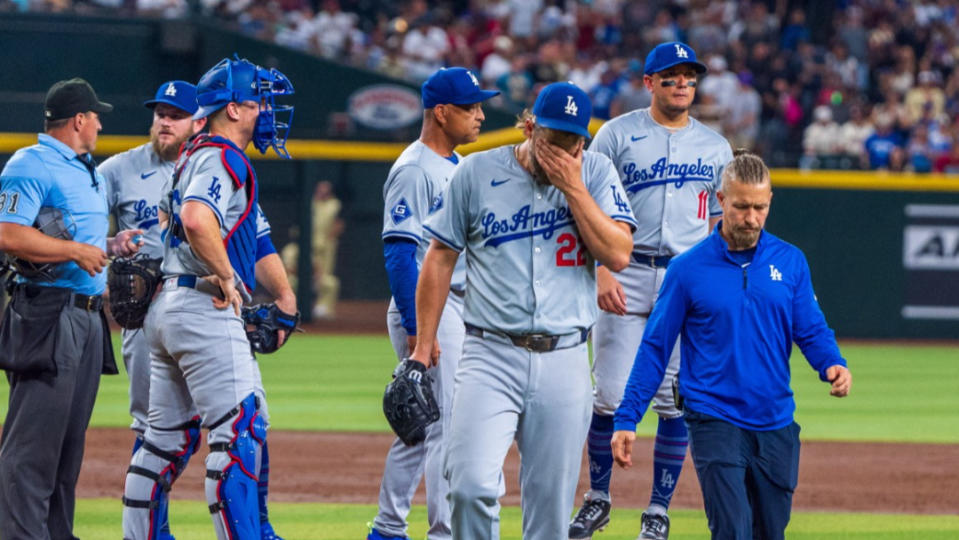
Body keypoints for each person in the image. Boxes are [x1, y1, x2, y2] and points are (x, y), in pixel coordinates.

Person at [410, 81, 636, 540]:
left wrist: (574, 189)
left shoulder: (594, 173)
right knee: (469, 485)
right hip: (489, 354)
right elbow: (439, 256)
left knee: (550, 511)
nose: (561, 150)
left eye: (571, 141)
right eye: (552, 139)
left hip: (566, 357)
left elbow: (618, 254)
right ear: (530, 127)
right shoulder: (474, 174)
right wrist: (423, 343)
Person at [612, 150, 853, 540]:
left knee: (770, 532)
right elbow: (656, 347)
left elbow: (810, 327)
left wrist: (832, 363)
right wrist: (628, 417)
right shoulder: (687, 269)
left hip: (775, 418)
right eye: (741, 206)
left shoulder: (791, 262)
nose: (751, 217)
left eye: (760, 207)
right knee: (732, 530)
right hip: (713, 416)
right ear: (721, 200)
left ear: (770, 200)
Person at [120, 55, 294, 540]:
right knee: (239, 433)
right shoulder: (223, 156)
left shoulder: (189, 156)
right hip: (201, 307)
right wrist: (228, 277)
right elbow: (197, 219)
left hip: (166, 309)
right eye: (257, 101)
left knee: (162, 444)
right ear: (232, 110)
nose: (265, 110)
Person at [569, 41, 732, 540]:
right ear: (648, 82)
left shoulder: (716, 147)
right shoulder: (616, 135)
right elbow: (585, 206)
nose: (682, 83)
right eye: (670, 76)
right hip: (627, 267)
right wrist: (599, 268)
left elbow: (723, 225)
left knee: (675, 401)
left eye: (689, 76)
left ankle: (658, 509)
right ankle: (598, 498)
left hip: (686, 276)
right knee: (611, 396)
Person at [0, 77, 142, 539]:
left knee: (65, 447)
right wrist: (78, 253)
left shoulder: (84, 168)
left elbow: (66, 241)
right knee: (31, 448)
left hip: (85, 317)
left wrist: (106, 246)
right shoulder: (31, 163)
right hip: (47, 312)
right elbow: (7, 233)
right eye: (96, 115)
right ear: (79, 119)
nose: (100, 123)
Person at [369, 66, 498, 540]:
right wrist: (417, 327)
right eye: (471, 107)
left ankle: (386, 529)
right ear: (442, 113)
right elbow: (400, 252)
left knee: (420, 424)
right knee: (446, 426)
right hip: (431, 310)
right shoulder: (414, 168)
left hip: (457, 307)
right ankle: (444, 532)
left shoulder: (458, 166)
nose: (481, 115)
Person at [310, 179, 343, 319]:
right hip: (310, 244)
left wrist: (330, 238)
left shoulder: (334, 204)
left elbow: (339, 223)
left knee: (327, 279)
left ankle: (324, 307)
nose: (322, 192)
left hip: (327, 246)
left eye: (325, 189)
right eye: (320, 189)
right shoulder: (311, 203)